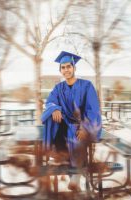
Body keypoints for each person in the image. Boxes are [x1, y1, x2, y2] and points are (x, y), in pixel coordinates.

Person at [41, 51, 102, 191]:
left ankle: (75, 176)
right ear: (60, 70)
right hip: (64, 123)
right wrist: (55, 109)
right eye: (63, 67)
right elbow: (49, 102)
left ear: (74, 68)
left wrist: (85, 127)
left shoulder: (86, 85)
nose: (66, 70)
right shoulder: (58, 87)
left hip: (82, 123)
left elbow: (93, 109)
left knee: (76, 135)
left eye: (69, 66)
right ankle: (61, 159)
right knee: (51, 115)